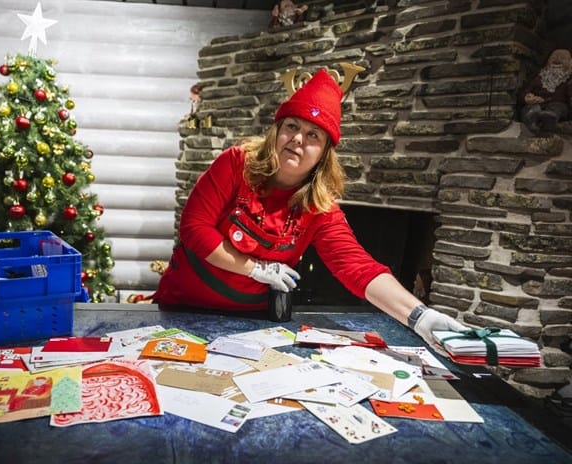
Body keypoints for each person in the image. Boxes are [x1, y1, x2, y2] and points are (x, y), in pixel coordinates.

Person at [153, 69, 467, 352]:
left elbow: (357, 267)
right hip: (183, 309)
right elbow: (195, 228)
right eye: (291, 126)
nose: (298, 139)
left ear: (324, 153)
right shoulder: (236, 165)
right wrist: (255, 268)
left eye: (313, 134)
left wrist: (419, 316)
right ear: (277, 131)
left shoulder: (320, 206)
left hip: (250, 325)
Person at [520, 48, 572, 134]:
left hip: (558, 105)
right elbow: (525, 91)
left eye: (563, 58)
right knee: (531, 108)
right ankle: (533, 121)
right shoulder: (539, 78)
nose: (558, 59)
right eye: (553, 57)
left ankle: (549, 120)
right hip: (538, 104)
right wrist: (527, 97)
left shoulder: (568, 80)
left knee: (557, 108)